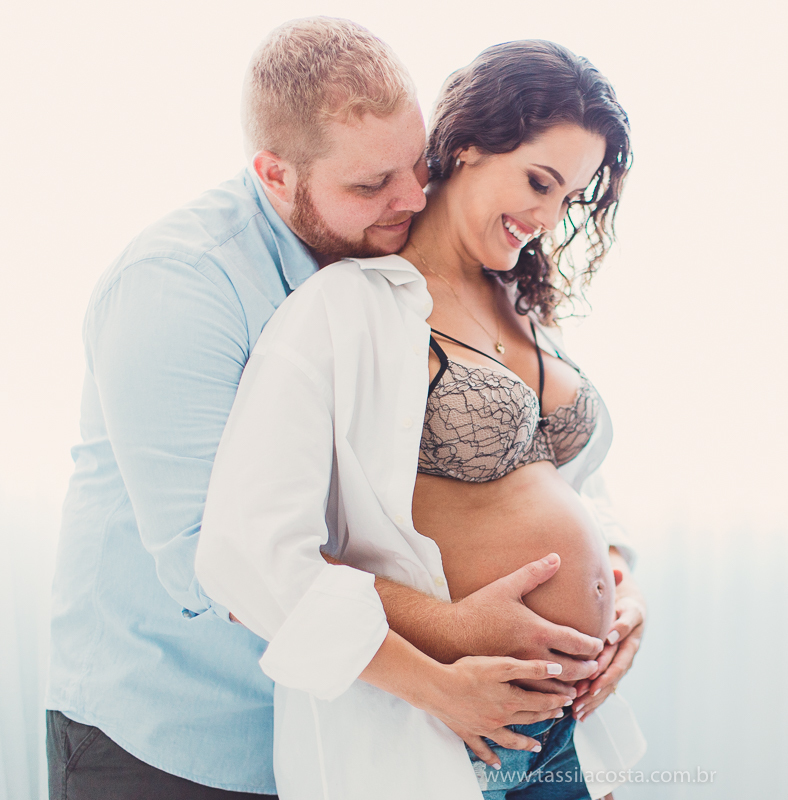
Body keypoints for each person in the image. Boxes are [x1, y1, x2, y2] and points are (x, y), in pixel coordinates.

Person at [45, 19, 623, 799]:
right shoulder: (181, 289)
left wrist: (617, 583)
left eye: (414, 165)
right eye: (369, 186)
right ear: (275, 175)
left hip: (380, 705)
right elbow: (215, 564)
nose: (412, 198)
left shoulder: (425, 274)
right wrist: (443, 655)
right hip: (176, 726)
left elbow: (534, 472)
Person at [195, 40, 646, 800]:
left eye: (567, 198)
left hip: (569, 733)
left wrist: (623, 593)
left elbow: (576, 488)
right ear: (466, 145)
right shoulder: (346, 309)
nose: (545, 218)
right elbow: (248, 553)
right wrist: (443, 664)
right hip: (448, 729)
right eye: (539, 182)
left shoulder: (527, 313)